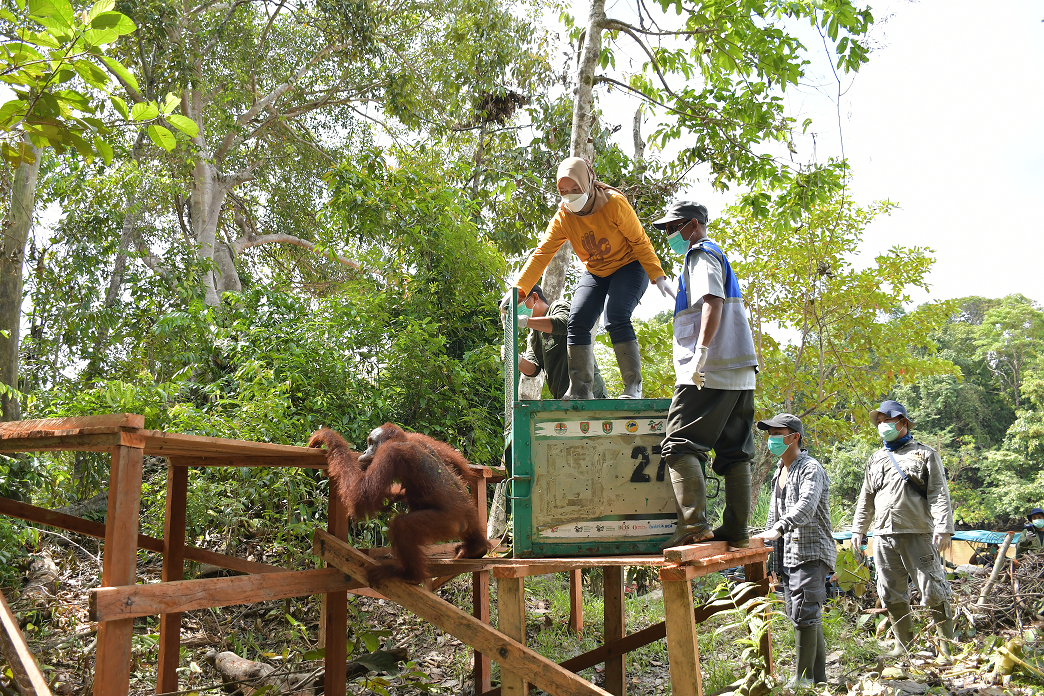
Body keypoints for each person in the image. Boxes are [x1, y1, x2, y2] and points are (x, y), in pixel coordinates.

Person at [510, 157, 673, 400]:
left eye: (575, 189)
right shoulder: (564, 216)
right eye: (564, 191)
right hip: (597, 271)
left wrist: (657, 274)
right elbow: (542, 253)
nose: (570, 195)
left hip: (629, 265)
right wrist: (517, 290)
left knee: (616, 315)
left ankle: (633, 386)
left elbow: (639, 240)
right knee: (577, 320)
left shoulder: (614, 204)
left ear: (588, 182)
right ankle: (580, 390)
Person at [654, 201, 759, 550]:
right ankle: (737, 530)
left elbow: (712, 301)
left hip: (710, 368)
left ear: (693, 225)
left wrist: (700, 354)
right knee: (735, 451)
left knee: (679, 443)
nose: (669, 236)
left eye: (673, 228)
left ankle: (695, 523)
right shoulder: (714, 255)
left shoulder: (700, 253)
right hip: (740, 370)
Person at [851, 400, 955, 658]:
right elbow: (866, 499)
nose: (883, 425)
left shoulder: (925, 454)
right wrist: (858, 530)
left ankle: (947, 648)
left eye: (888, 420)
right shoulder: (875, 459)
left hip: (917, 532)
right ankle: (903, 647)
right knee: (890, 591)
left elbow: (939, 493)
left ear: (903, 422)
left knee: (932, 588)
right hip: (883, 535)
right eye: (880, 421)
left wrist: (943, 527)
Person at [753, 413, 834, 687]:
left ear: (794, 437)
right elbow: (773, 515)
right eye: (769, 433)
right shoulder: (779, 471)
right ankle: (819, 677)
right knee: (801, 612)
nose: (772, 438)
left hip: (811, 551)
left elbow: (807, 505)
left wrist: (781, 526)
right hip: (788, 553)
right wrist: (767, 545)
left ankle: (803, 679)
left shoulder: (810, 468)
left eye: (778, 433)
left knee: (803, 612)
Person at [516, 284, 608, 399]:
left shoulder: (558, 306)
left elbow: (564, 324)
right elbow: (533, 369)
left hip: (590, 391)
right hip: (563, 397)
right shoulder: (534, 336)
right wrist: (516, 358)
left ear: (534, 297)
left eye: (519, 302)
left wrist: (525, 321)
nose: (517, 310)